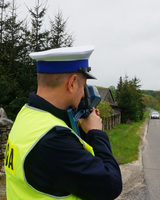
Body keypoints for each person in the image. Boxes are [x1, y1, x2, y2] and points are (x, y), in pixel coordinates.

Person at [4, 45, 122, 200]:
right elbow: (111, 185)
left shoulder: (27, 114)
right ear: (72, 83)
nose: (83, 93)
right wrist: (96, 133)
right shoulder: (54, 140)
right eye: (84, 85)